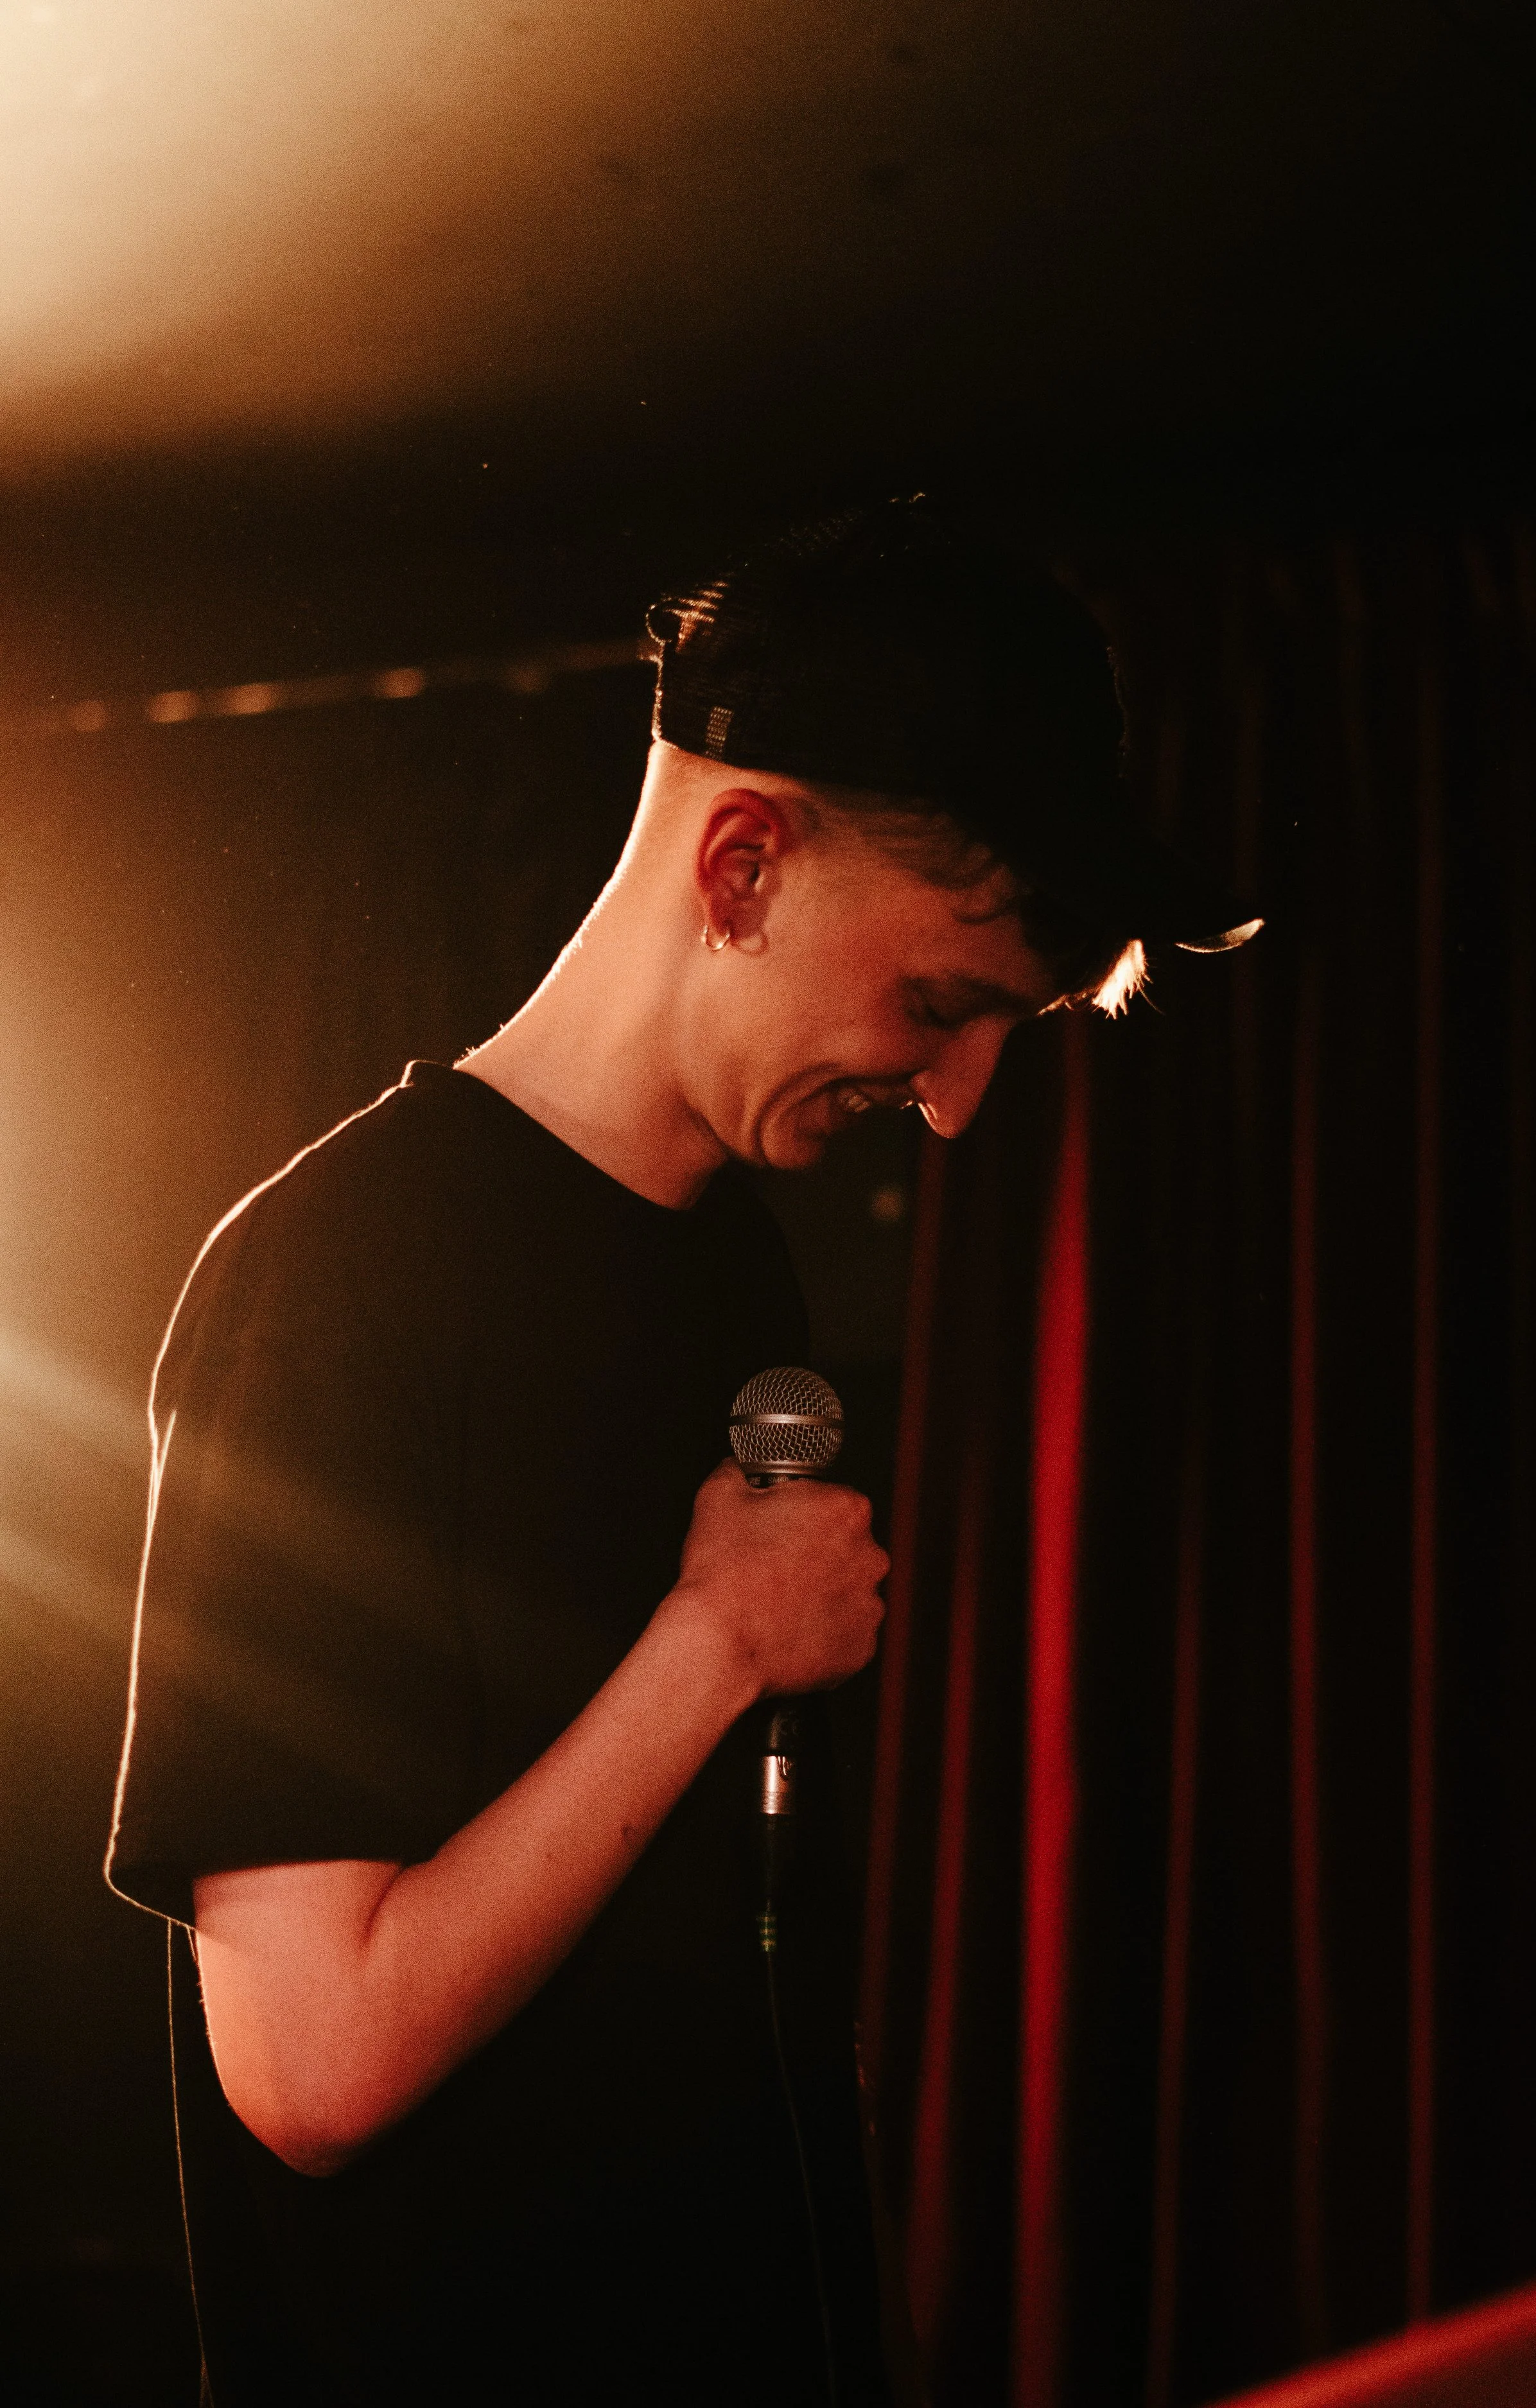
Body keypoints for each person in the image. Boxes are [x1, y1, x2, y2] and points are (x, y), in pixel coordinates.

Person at [105, 498, 1258, 2405]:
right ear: (739, 860)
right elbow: (309, 2068)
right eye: (937, 1003)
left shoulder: (723, 1257)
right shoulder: (335, 1274)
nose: (957, 1103)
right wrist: (710, 1643)